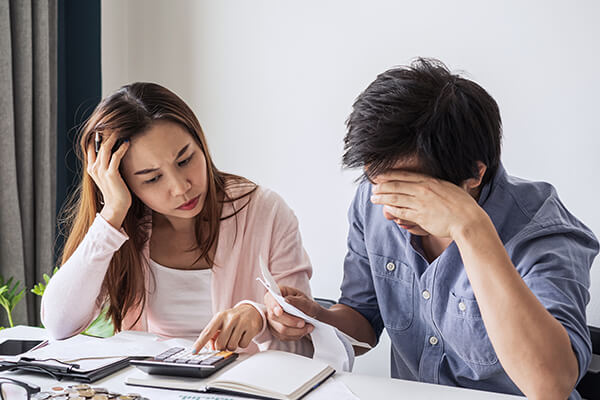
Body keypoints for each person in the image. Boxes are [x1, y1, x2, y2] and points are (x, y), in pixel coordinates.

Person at [264, 58, 598, 399]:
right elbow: (363, 323)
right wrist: (317, 318)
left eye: (409, 192)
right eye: (377, 182)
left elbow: (551, 387)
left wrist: (470, 228)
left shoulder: (544, 234)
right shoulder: (374, 199)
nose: (390, 209)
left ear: (474, 175)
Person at [42, 82, 313, 355]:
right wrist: (111, 214)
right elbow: (59, 325)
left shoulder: (265, 212)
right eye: (152, 178)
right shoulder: (125, 226)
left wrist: (259, 316)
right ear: (123, 182)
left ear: (201, 143)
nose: (180, 187)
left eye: (185, 160)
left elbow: (303, 340)